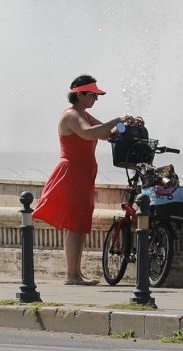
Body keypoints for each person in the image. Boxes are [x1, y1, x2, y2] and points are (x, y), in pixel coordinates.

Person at [32, 74, 124, 285]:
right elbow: (89, 134)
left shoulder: (84, 115)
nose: (96, 99)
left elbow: (106, 134)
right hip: (72, 173)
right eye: (93, 95)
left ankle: (76, 274)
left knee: (81, 223)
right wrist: (117, 120)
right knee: (75, 224)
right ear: (80, 94)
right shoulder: (71, 116)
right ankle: (71, 275)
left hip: (84, 173)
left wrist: (127, 124)